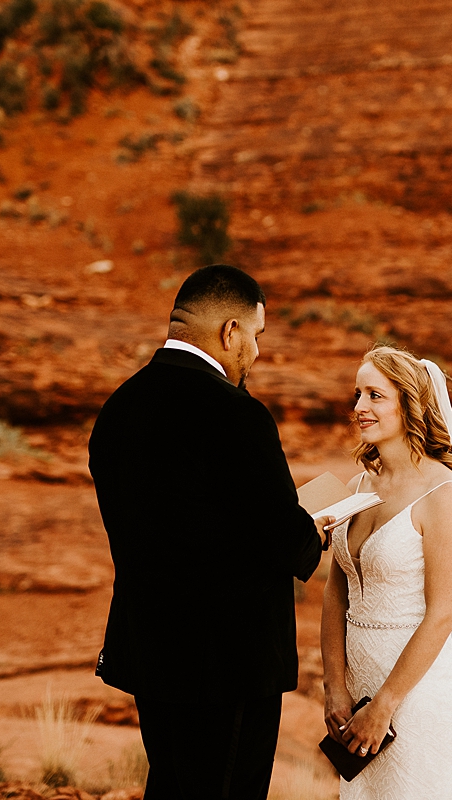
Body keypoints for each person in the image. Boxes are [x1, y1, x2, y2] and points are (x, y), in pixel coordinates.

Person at [88, 264, 334, 800]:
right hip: (228, 665)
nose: (256, 354)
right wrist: (317, 527)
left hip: (152, 654)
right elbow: (283, 541)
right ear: (230, 332)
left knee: (173, 787)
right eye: (256, 336)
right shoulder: (236, 415)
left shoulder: (118, 410)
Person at [321, 345, 452, 799]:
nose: (360, 407)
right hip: (357, 691)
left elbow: (443, 613)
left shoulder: (443, 493)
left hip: (413, 695)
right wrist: (335, 685)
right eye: (358, 393)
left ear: (409, 404)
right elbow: (334, 594)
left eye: (375, 395)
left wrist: (384, 705)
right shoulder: (358, 484)